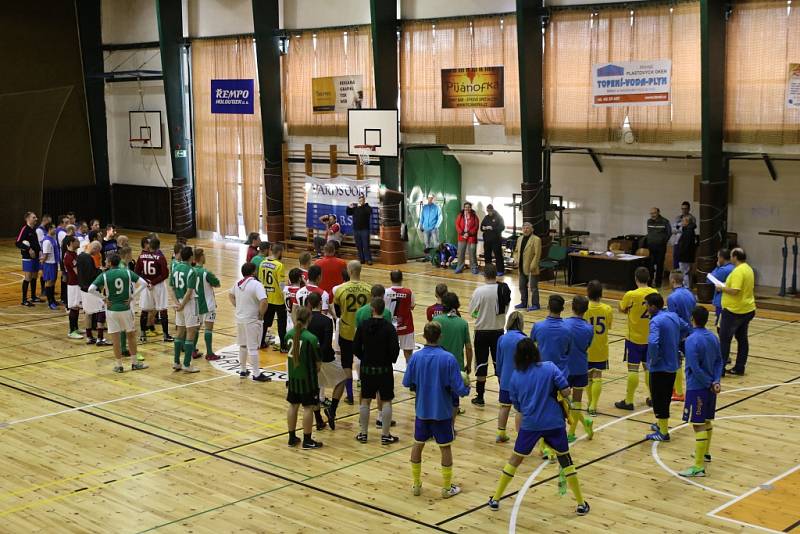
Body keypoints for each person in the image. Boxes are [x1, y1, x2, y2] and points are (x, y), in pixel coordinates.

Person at [487, 338, 590, 516]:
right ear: (536, 352)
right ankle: (581, 504)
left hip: (530, 424)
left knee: (515, 460)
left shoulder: (515, 377)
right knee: (566, 461)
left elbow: (517, 406)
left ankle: (496, 499)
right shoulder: (550, 367)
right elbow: (566, 391)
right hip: (554, 422)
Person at [404, 322, 470, 499]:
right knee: (445, 448)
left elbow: (406, 382)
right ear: (440, 336)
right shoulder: (448, 358)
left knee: (418, 444)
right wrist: (467, 388)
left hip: (422, 410)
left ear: (424, 336)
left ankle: (416, 484)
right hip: (442, 412)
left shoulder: (416, 358)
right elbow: (459, 388)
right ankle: (447, 488)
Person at [679, 306, 723, 477]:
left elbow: (695, 368)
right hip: (711, 388)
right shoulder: (713, 337)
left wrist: (707, 383)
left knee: (698, 425)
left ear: (692, 319)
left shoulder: (691, 340)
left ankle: (698, 467)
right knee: (706, 420)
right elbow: (720, 360)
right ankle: (705, 453)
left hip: (698, 387)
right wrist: (716, 381)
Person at [88, 253, 149, 373]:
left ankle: (119, 365)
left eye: (106, 261)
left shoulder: (104, 275)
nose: (105, 262)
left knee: (115, 338)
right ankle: (134, 363)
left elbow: (91, 289)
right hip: (125, 309)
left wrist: (103, 298)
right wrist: (132, 296)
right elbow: (144, 283)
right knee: (131, 336)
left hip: (111, 310)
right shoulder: (127, 272)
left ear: (110, 263)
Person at [353, 297, 400, 444]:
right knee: (386, 401)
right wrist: (390, 360)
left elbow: (355, 347)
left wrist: (365, 357)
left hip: (367, 368)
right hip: (384, 369)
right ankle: (385, 436)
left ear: (372, 309)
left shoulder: (363, 325)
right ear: (383, 309)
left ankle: (363, 434)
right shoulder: (389, 327)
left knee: (365, 400)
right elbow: (395, 350)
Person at [645, 293, 689, 442]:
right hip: (673, 365)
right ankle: (660, 424)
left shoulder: (655, 322)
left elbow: (653, 343)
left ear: (652, 306)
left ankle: (663, 432)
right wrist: (677, 340)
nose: (645, 307)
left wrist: (654, 358)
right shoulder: (673, 316)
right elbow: (686, 327)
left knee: (659, 399)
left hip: (660, 367)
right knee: (666, 397)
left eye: (646, 304)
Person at [615, 266, 658, 410]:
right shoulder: (654, 292)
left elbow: (621, 308)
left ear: (635, 279)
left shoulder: (631, 294)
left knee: (633, 369)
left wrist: (626, 309)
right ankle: (653, 397)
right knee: (648, 368)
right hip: (650, 338)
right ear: (649, 278)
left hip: (633, 338)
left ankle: (629, 400)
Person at [333, 261, 372, 408]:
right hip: (363, 332)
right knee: (363, 359)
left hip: (346, 331)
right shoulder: (369, 289)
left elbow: (337, 312)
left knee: (346, 363)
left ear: (349, 271)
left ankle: (349, 395)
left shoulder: (340, 289)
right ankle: (363, 389)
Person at [469, 264, 509, 406]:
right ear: (495, 275)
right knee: (499, 364)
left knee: (481, 363)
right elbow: (505, 309)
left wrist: (480, 313)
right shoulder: (503, 289)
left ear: (484, 275)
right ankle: (504, 395)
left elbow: (472, 312)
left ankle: (480, 397)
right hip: (498, 332)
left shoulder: (479, 291)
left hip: (481, 331)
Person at [306, 291, 347, 430]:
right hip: (325, 358)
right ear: (319, 303)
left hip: (309, 358)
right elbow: (327, 343)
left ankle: (318, 420)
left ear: (309, 304)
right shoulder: (327, 320)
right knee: (342, 379)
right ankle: (332, 410)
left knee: (315, 389)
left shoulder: (305, 320)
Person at [285, 307, 324, 449]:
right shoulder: (312, 338)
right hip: (308, 380)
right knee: (308, 407)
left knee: (293, 406)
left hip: (293, 379)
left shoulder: (288, 334)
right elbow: (318, 364)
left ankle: (291, 437)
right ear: (309, 319)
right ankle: (307, 440)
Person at [433, 292, 473, 425]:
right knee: (454, 400)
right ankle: (450, 426)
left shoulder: (437, 321)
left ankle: (436, 424)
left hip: (438, 365)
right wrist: (469, 364)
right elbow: (468, 347)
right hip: (457, 367)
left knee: (438, 396)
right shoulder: (462, 323)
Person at [229, 262, 271, 382]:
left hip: (240, 318)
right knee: (252, 347)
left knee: (243, 345)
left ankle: (243, 370)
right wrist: (260, 314)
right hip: (252, 319)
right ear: (253, 272)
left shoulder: (238, 283)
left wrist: (237, 306)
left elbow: (230, 295)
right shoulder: (256, 284)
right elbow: (264, 301)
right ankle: (256, 374)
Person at [718, 248, 756, 376]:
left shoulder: (738, 271)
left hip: (735, 310)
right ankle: (740, 367)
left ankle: (720, 369)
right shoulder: (748, 268)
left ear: (734, 256)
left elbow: (735, 290)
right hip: (747, 308)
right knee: (742, 338)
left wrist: (722, 288)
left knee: (724, 339)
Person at [564, 296, 595, 442]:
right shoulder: (589, 328)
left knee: (562, 401)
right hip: (581, 366)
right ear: (586, 309)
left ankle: (571, 432)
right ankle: (574, 430)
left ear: (572, 307)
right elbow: (587, 346)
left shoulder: (564, 324)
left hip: (565, 368)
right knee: (576, 401)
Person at [494, 311, 525, 444]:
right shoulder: (524, 339)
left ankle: (501, 433)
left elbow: (498, 360)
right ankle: (520, 437)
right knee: (520, 409)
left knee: (504, 407)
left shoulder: (502, 338)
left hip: (506, 379)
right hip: (521, 380)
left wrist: (499, 375)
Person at [135, 236, 172, 343]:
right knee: (163, 309)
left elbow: (136, 273)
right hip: (158, 285)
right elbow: (165, 274)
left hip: (146, 286)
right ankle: (165, 335)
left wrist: (146, 281)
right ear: (159, 246)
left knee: (145, 310)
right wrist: (154, 282)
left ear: (149, 246)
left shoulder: (141, 256)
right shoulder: (160, 257)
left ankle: (143, 335)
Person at [584, 280, 613, 416]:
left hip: (586, 348)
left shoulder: (584, 308)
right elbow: (609, 325)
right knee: (597, 375)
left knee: (588, 376)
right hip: (601, 347)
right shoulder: (607, 309)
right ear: (601, 294)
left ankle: (590, 402)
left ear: (588, 293)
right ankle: (593, 405)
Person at [171, 246, 201, 373]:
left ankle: (176, 362)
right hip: (188, 304)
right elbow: (189, 291)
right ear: (191, 257)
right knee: (190, 332)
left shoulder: (175, 268)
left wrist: (177, 303)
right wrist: (183, 304)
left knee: (179, 332)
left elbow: (171, 287)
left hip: (178, 303)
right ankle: (187, 364)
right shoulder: (191, 271)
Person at [667, 270, 696, 402]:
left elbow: (675, 318)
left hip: (679, 333)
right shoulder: (690, 294)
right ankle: (678, 388)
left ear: (673, 281)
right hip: (690, 332)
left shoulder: (672, 298)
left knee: (676, 362)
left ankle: (678, 392)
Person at [531, 295, 571, 377]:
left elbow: (531, 346)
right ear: (562, 309)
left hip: (542, 372)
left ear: (548, 307)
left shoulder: (538, 326)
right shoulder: (568, 329)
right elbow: (569, 350)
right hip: (561, 373)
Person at [193, 249, 221, 361]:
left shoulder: (191, 271)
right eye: (204, 255)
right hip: (208, 304)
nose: (205, 257)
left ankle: (193, 351)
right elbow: (217, 284)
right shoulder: (206, 273)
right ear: (201, 257)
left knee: (196, 328)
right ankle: (209, 353)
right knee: (208, 329)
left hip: (196, 304)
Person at [78, 241, 108, 346]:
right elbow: (92, 274)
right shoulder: (88, 258)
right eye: (97, 252)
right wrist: (100, 271)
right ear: (94, 248)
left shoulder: (80, 256)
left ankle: (89, 337)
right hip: (91, 289)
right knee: (102, 310)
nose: (97, 255)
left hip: (83, 288)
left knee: (88, 313)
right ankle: (100, 338)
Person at [258, 243, 287, 352]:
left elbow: (260, 280)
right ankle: (283, 347)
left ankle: (261, 342)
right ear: (279, 252)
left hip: (266, 297)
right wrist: (286, 295)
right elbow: (281, 284)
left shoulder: (262, 263)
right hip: (278, 299)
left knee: (265, 322)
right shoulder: (279, 265)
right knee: (281, 323)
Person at [385, 270, 416, 362]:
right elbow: (412, 306)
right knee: (408, 354)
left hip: (389, 327)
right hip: (406, 326)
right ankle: (410, 375)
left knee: (386, 353)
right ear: (402, 278)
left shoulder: (385, 292)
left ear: (390, 279)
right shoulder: (409, 292)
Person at [513, 222, 542, 311]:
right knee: (522, 286)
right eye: (524, 228)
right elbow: (516, 251)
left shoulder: (536, 239)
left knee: (533, 287)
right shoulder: (519, 239)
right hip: (521, 267)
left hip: (531, 268)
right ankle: (523, 302)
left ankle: (535, 304)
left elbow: (537, 254)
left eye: (527, 228)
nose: (525, 230)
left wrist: (532, 266)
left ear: (532, 229)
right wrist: (516, 259)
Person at [15, 211, 41, 306]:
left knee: (34, 277)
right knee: (28, 277)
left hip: (36, 257)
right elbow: (18, 242)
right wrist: (28, 249)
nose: (36, 219)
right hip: (27, 258)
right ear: (28, 219)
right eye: (34, 217)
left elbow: (36, 244)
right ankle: (24, 300)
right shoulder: (25, 229)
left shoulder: (34, 229)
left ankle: (33, 297)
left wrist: (40, 253)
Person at [644, 207, 672, 287]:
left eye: (654, 213)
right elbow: (649, 233)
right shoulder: (649, 221)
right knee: (650, 265)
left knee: (660, 265)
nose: (652, 215)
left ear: (658, 212)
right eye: (651, 213)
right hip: (651, 246)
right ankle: (649, 282)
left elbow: (669, 233)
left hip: (660, 247)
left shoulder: (665, 221)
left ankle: (658, 282)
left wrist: (663, 241)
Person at [62, 236, 83, 339]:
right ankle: (71, 331)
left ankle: (76, 328)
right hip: (74, 284)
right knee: (74, 307)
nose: (78, 242)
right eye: (76, 241)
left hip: (76, 283)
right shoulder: (69, 256)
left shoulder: (73, 254)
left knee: (77, 306)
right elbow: (77, 272)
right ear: (71, 243)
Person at [709, 249, 734, 329]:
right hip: (731, 300)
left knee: (721, 325)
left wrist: (717, 267)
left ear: (722, 258)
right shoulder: (734, 267)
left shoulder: (723, 270)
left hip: (721, 300)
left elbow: (709, 279)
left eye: (718, 257)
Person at [347, 193, 373, 265]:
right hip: (356, 230)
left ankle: (368, 259)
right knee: (359, 245)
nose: (361, 201)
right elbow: (348, 213)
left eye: (362, 200)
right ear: (358, 200)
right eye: (360, 200)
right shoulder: (355, 208)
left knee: (366, 245)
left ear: (364, 200)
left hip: (365, 230)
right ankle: (362, 259)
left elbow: (370, 211)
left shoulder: (367, 207)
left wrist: (364, 205)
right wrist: (349, 207)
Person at [480, 204, 506, 276]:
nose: (489, 212)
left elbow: (502, 227)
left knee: (498, 255)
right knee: (487, 255)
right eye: (487, 211)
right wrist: (484, 228)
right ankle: (488, 271)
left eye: (490, 210)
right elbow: (481, 227)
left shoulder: (499, 217)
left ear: (493, 210)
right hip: (487, 240)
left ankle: (500, 270)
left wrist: (493, 228)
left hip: (496, 240)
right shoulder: (486, 217)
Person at [454, 201, 479, 274]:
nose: (467, 208)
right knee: (461, 253)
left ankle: (474, 268)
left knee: (472, 253)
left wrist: (468, 233)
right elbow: (457, 225)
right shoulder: (460, 215)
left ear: (470, 208)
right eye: (465, 207)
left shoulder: (474, 216)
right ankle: (459, 268)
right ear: (464, 208)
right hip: (461, 236)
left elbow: (476, 226)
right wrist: (462, 233)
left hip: (471, 237)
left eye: (468, 207)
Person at [672, 201, 697, 271]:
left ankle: (684, 281)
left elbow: (690, 228)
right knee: (676, 262)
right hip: (677, 242)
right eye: (682, 208)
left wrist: (679, 227)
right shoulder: (678, 218)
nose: (684, 210)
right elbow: (673, 230)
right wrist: (682, 228)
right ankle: (676, 279)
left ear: (689, 209)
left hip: (686, 244)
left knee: (685, 267)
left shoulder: (692, 218)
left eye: (685, 208)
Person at [40, 223, 60, 310]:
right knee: (49, 283)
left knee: (53, 282)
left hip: (54, 263)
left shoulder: (53, 239)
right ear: (49, 229)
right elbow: (45, 255)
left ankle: (53, 299)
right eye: (54, 228)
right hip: (49, 264)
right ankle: (50, 302)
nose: (55, 229)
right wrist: (42, 262)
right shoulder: (47, 241)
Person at [675, 215, 697, 288]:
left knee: (684, 272)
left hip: (685, 255)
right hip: (687, 255)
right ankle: (687, 286)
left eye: (683, 221)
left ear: (687, 222)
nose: (681, 222)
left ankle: (686, 287)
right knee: (686, 272)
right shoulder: (688, 229)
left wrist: (680, 253)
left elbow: (685, 245)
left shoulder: (688, 231)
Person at [419, 194, 442, 259]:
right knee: (426, 243)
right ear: (427, 199)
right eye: (429, 198)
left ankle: (437, 257)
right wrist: (421, 225)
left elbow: (440, 218)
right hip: (426, 228)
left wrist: (436, 226)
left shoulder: (437, 207)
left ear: (434, 199)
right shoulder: (424, 207)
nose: (430, 199)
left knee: (436, 243)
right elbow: (422, 217)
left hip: (434, 228)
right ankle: (428, 257)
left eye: (431, 198)